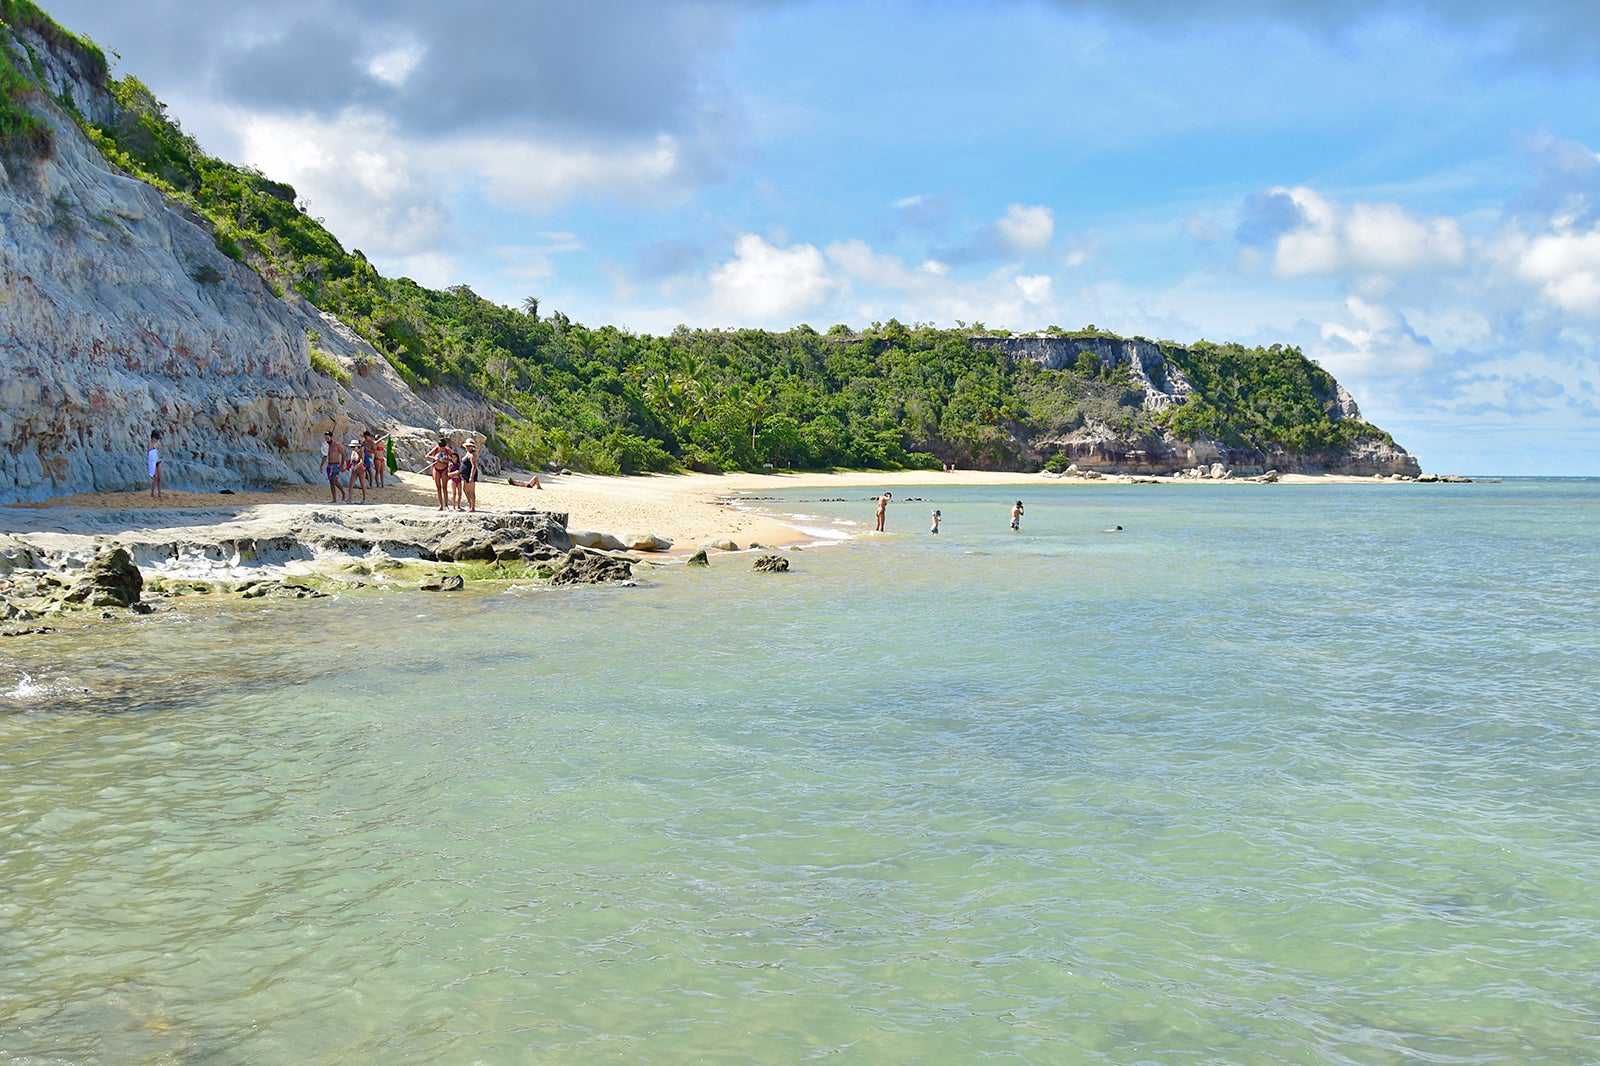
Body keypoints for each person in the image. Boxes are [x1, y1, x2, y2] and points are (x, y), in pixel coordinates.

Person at [425, 438, 453, 511]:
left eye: (443, 446)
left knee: (444, 487)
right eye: (440, 446)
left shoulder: (448, 450)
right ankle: (441, 505)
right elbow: (427, 455)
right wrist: (435, 458)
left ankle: (446, 505)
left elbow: (453, 458)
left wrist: (445, 460)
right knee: (438, 488)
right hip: (436, 469)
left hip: (444, 469)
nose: (441, 448)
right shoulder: (436, 448)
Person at [321, 430, 345, 503]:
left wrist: (341, 465)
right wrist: (321, 465)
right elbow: (325, 456)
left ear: (331, 437)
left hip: (336, 465)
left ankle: (342, 493)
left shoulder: (337, 445)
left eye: (328, 437)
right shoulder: (326, 446)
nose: (326, 439)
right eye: (325, 438)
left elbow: (343, 454)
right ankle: (335, 498)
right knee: (332, 482)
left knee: (333, 481)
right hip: (329, 465)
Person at [458, 441, 480, 512]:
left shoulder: (472, 455)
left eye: (469, 446)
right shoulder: (468, 453)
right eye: (467, 446)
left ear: (472, 446)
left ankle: (472, 507)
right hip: (465, 474)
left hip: (470, 474)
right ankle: (470, 504)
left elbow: (474, 466)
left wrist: (471, 476)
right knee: (465, 489)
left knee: (471, 491)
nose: (467, 447)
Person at [147, 431, 162, 500]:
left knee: (159, 478)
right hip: (153, 462)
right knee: (155, 478)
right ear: (153, 437)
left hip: (158, 461)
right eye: (156, 438)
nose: (157, 440)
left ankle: (159, 493)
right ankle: (152, 493)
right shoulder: (150, 443)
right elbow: (150, 454)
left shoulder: (157, 444)